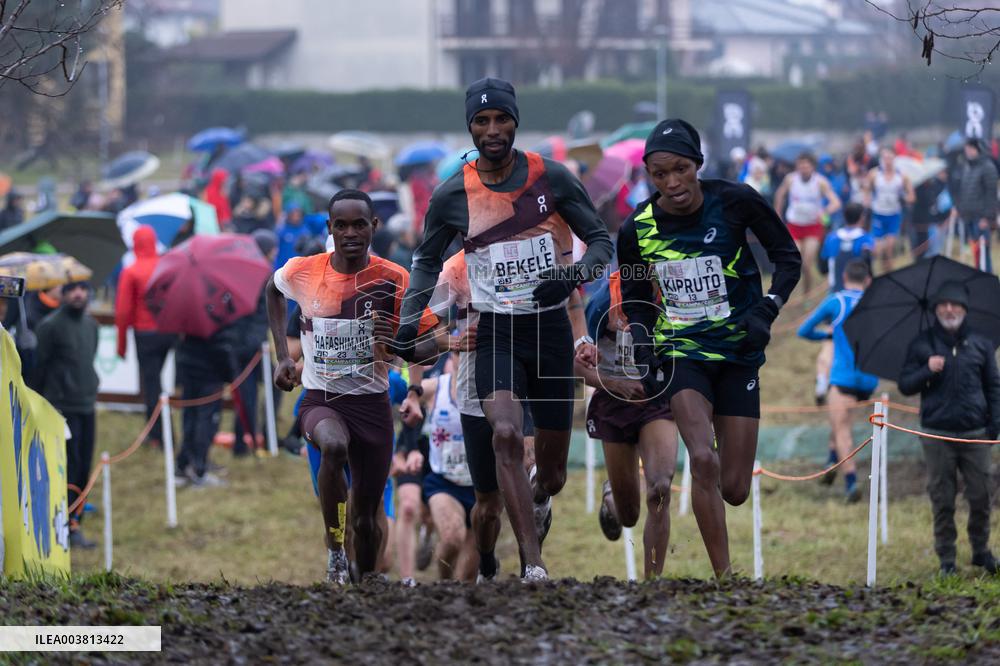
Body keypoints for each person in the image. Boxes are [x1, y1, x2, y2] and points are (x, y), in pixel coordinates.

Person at [393, 78, 613, 580]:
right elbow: (426, 260)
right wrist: (409, 322)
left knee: (553, 473)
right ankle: (532, 564)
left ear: (516, 121)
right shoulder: (453, 193)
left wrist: (569, 278)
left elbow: (599, 241)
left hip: (550, 333)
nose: (492, 130)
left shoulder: (550, 177)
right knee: (507, 435)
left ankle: (537, 496)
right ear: (470, 127)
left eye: (501, 120)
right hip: (495, 332)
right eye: (481, 121)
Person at [618, 118, 801, 578]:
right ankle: (726, 579)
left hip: (739, 352)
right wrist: (642, 342)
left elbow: (788, 258)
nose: (672, 182)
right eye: (660, 174)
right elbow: (637, 298)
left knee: (735, 486)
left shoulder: (735, 201)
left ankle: (721, 505)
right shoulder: (637, 229)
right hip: (682, 352)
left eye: (680, 169)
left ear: (697, 164)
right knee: (702, 457)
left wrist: (767, 309)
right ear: (649, 176)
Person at [266, 189, 439, 584]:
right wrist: (281, 356)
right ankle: (334, 554)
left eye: (358, 224)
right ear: (329, 228)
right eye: (340, 225)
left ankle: (364, 577)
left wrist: (398, 341)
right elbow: (272, 292)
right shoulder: (304, 270)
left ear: (373, 227)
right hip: (321, 399)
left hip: (372, 405)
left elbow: (430, 345)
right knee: (333, 445)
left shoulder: (394, 278)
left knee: (367, 518)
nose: (349, 233)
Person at [577, 271, 679, 578]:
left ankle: (652, 585)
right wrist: (611, 384)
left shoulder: (671, 297)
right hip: (613, 402)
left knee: (660, 488)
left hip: (656, 401)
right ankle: (612, 498)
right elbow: (574, 365)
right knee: (630, 514)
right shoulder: (602, 303)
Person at [898, 281, 1000, 575]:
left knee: (981, 497)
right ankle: (947, 559)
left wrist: (994, 424)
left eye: (955, 304)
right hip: (936, 435)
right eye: (943, 304)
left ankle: (981, 551)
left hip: (976, 434)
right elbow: (905, 384)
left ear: (964, 309)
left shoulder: (981, 344)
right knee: (942, 499)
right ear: (935, 309)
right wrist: (925, 370)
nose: (949, 309)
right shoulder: (922, 344)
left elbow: (993, 386)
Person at [797, 259, 878, 502]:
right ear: (868, 281)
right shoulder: (875, 303)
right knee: (840, 418)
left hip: (844, 376)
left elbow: (803, 330)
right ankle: (831, 461)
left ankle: (851, 483)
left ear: (844, 278)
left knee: (842, 428)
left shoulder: (837, 301)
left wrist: (827, 335)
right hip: (869, 379)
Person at [29, 281, 99, 548]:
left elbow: (88, 359)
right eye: (72, 289)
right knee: (66, 467)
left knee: (84, 468)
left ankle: (76, 520)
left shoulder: (91, 325)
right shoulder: (50, 326)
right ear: (62, 293)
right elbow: (40, 370)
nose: (79, 293)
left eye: (83, 288)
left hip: (86, 404)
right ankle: (64, 524)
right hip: (61, 408)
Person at [405, 354, 480, 581]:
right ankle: (444, 587)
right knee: (451, 537)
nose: (467, 358)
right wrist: (410, 449)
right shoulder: (437, 387)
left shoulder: (494, 390)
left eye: (473, 352)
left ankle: (462, 604)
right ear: (453, 357)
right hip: (444, 482)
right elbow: (408, 400)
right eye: (461, 352)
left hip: (481, 488)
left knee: (469, 574)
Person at [115, 225, 175, 448]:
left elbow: (122, 312)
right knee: (164, 382)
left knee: (151, 385)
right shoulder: (167, 266)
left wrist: (121, 345)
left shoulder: (131, 271)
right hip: (170, 332)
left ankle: (157, 436)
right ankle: (166, 432)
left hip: (145, 333)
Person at [814, 202, 875, 404]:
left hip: (835, 299)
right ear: (862, 218)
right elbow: (868, 267)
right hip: (858, 300)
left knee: (830, 344)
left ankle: (822, 382)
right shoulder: (865, 239)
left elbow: (822, 267)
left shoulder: (832, 238)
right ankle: (857, 383)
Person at [774, 153, 841, 298]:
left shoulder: (820, 182)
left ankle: (807, 294)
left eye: (807, 166)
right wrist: (777, 214)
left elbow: (836, 202)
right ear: (797, 167)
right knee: (795, 261)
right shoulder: (791, 179)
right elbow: (780, 194)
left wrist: (825, 211)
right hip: (794, 225)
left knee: (806, 264)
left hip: (813, 227)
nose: (804, 169)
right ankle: (786, 293)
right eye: (801, 166)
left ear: (813, 167)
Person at [863, 147, 915, 272]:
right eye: (885, 158)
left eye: (890, 158)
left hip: (894, 215)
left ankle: (888, 275)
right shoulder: (874, 174)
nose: (887, 161)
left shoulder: (902, 176)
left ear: (894, 159)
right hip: (878, 214)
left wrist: (905, 199)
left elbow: (912, 196)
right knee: (877, 250)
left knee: (889, 249)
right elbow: (866, 190)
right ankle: (875, 273)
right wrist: (867, 202)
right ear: (881, 159)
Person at [953, 139, 999, 272]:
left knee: (984, 252)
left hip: (981, 218)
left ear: (977, 149)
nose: (967, 151)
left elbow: (992, 196)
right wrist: (959, 208)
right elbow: (964, 191)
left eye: (970, 148)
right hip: (968, 217)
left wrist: (987, 217)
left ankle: (987, 281)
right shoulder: (967, 167)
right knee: (976, 253)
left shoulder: (988, 167)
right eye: (966, 148)